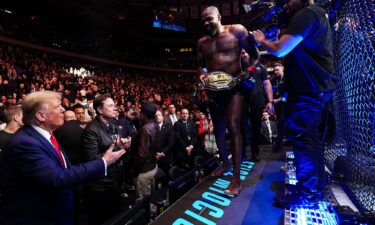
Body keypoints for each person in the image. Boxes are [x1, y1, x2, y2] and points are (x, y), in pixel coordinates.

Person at [252, 0, 336, 208]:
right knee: (311, 140)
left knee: (303, 140)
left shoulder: (307, 14)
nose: (286, 3)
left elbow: (280, 50)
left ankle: (307, 195)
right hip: (315, 86)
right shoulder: (316, 14)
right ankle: (314, 189)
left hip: (309, 87)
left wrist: (261, 40)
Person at [0, 91, 125, 225]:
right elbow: (58, 177)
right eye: (58, 107)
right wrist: (103, 162)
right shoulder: (25, 143)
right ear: (40, 116)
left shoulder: (46, 135)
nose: (63, 109)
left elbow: (65, 167)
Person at [197, 6, 258, 195]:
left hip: (235, 87)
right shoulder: (201, 42)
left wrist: (248, 72)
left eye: (210, 19)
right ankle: (226, 164)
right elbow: (201, 66)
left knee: (233, 125)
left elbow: (255, 56)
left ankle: (236, 179)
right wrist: (202, 75)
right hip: (215, 91)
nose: (207, 23)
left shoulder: (237, 31)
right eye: (204, 21)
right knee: (219, 130)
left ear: (219, 17)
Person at [81, 94, 131, 225]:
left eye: (114, 105)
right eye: (110, 105)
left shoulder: (113, 126)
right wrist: (110, 155)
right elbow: (91, 159)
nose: (115, 108)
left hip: (115, 181)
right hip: (100, 187)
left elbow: (114, 148)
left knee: (115, 217)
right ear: (99, 109)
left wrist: (122, 146)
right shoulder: (91, 130)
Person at [240, 49, 274, 162]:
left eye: (246, 52)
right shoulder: (238, 67)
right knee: (242, 130)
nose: (244, 55)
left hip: (257, 102)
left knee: (256, 129)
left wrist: (270, 101)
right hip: (241, 103)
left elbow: (267, 83)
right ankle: (242, 153)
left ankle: (255, 153)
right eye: (242, 53)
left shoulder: (261, 67)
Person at [132, 102, 159, 200]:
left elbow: (142, 155)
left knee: (143, 201)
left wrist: (136, 171)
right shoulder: (155, 125)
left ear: (145, 114)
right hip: (152, 166)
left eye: (141, 111)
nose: (139, 113)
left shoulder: (145, 129)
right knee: (150, 196)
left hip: (144, 171)